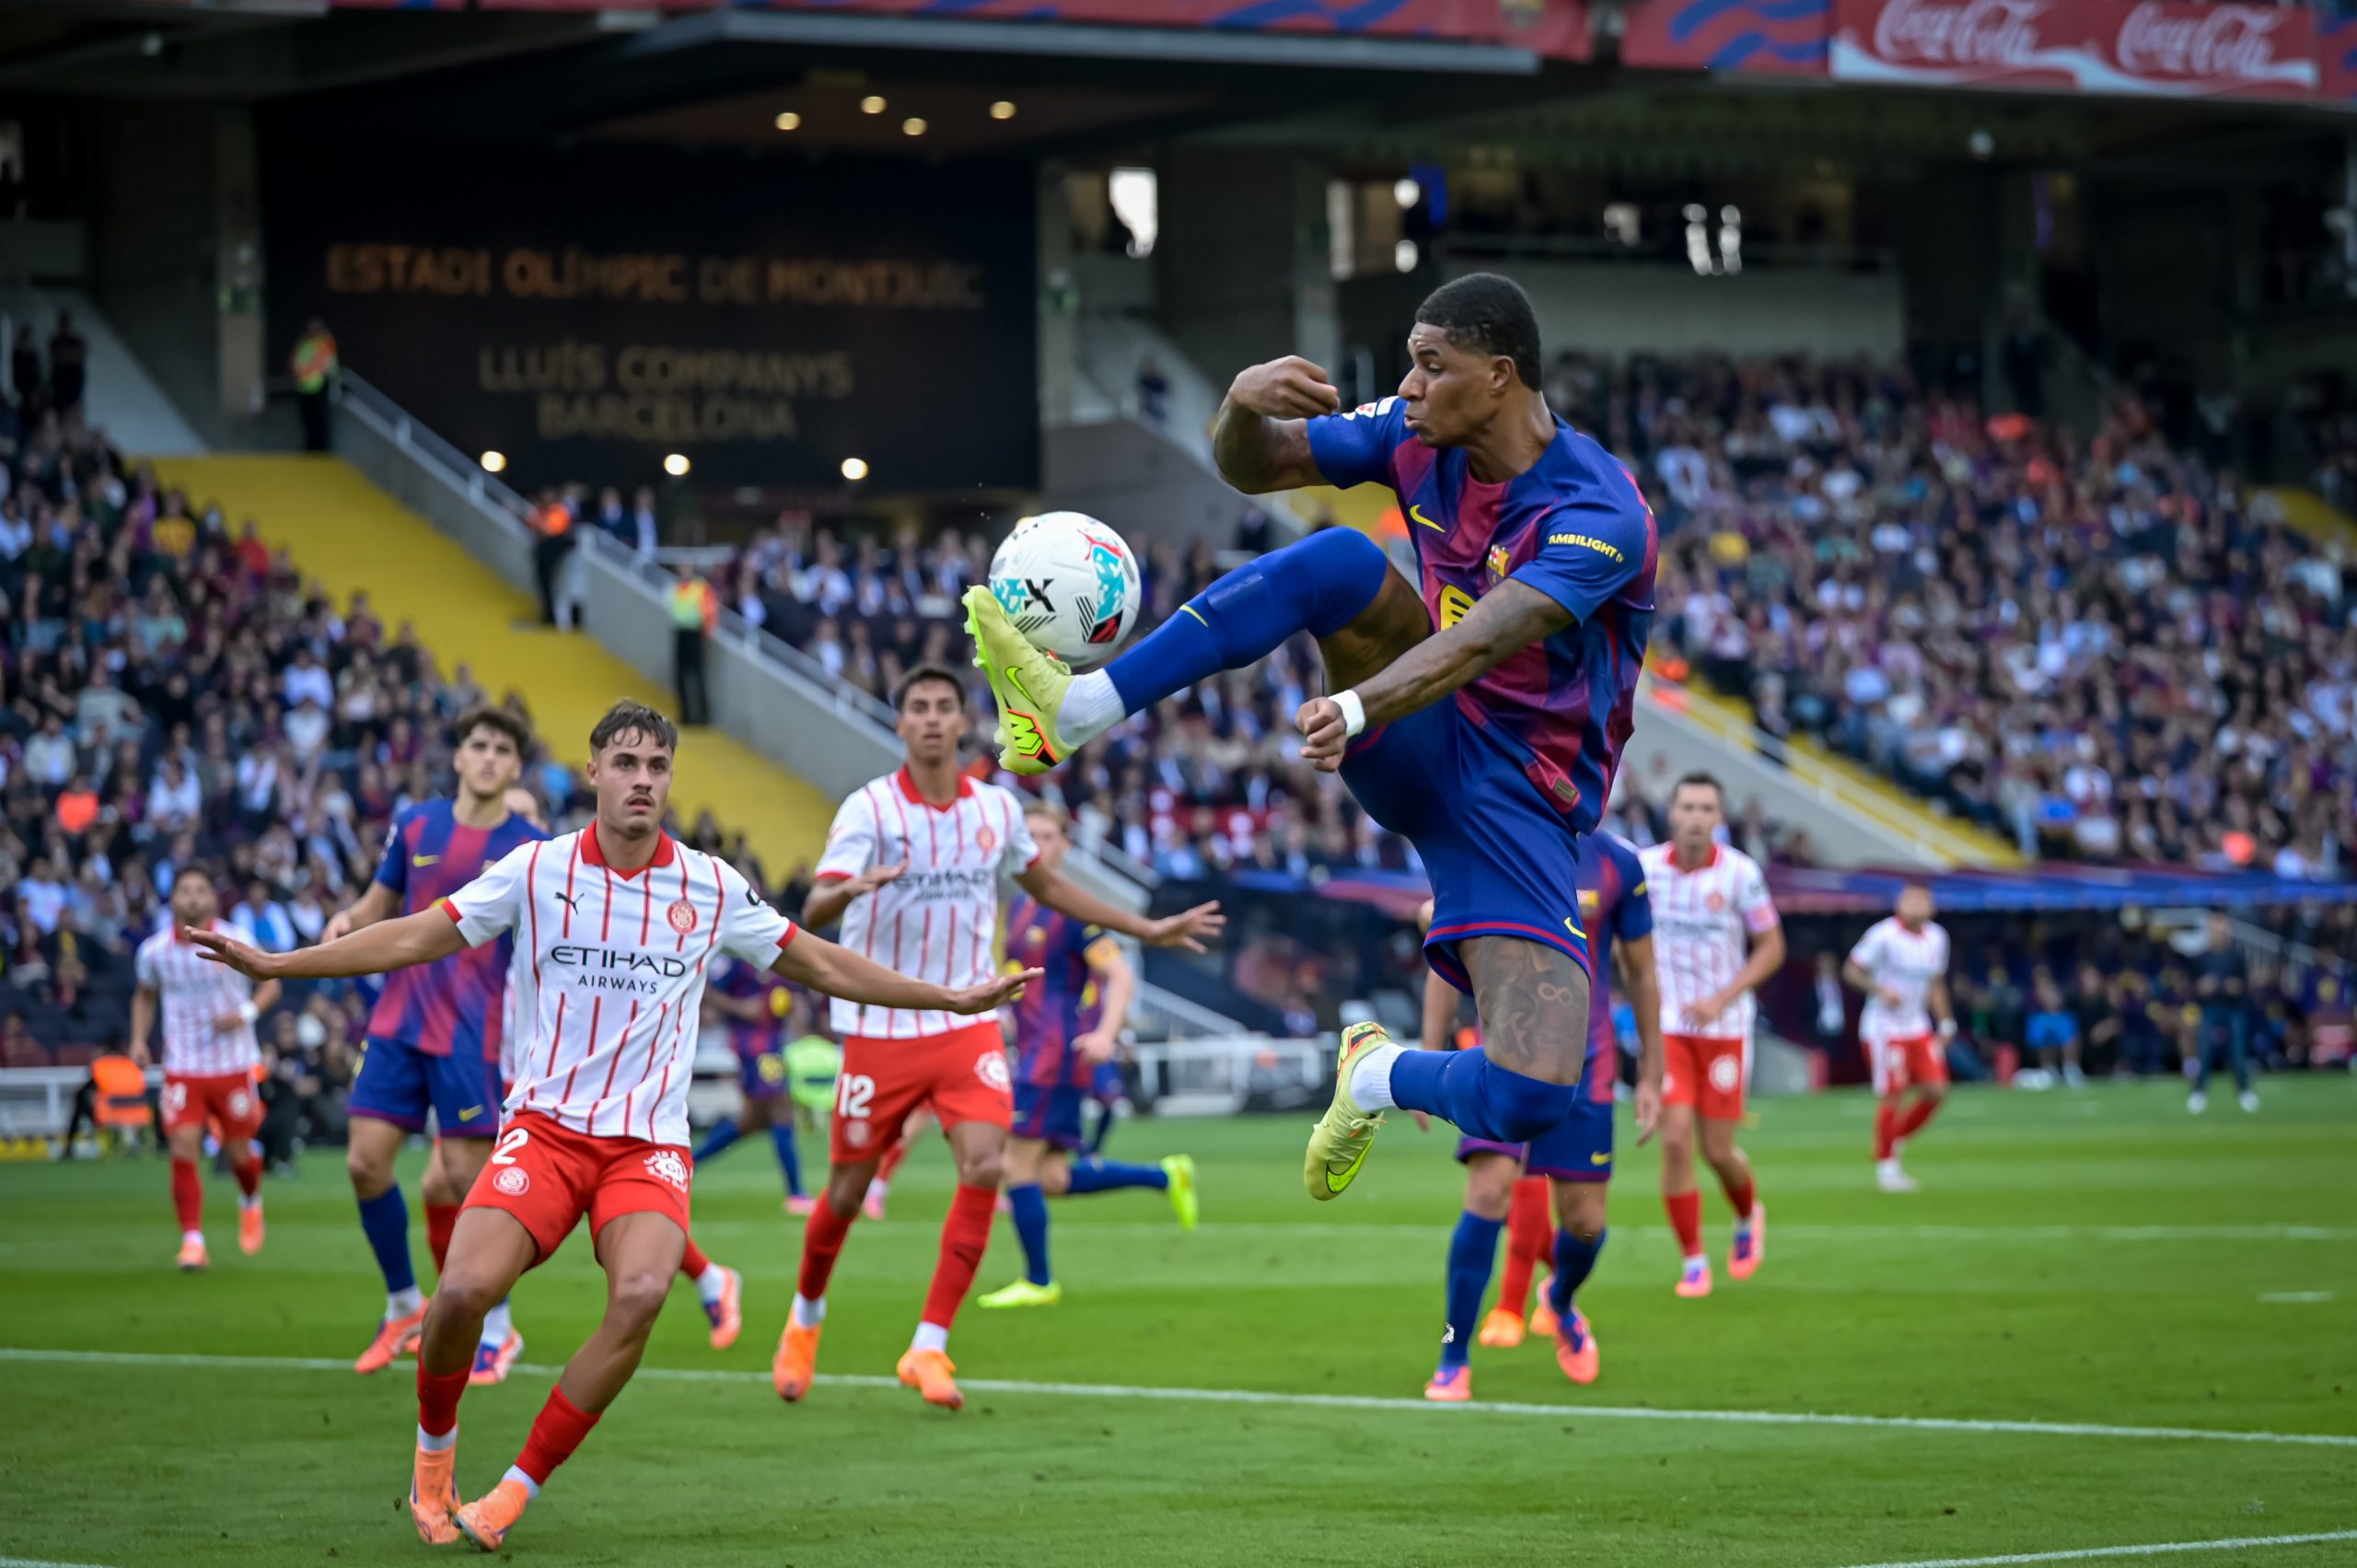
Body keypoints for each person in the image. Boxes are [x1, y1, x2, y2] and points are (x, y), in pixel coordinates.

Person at [187, 699, 1040, 1551]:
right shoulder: (536, 869)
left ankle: (514, 1490)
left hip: (650, 1145)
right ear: (592, 771)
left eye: (657, 766)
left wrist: (947, 996)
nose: (642, 780)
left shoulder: (708, 884)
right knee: (460, 1295)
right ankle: (434, 1458)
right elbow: (416, 936)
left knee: (637, 1296)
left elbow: (816, 959)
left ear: (671, 779)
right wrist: (281, 966)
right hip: (546, 1132)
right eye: (625, 763)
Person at [963, 273, 1655, 1205]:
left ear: (1497, 376)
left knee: (1531, 1093)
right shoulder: (1412, 432)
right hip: (1422, 735)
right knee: (1339, 560)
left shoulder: (1601, 508)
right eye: (1409, 364)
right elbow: (1255, 465)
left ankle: (1372, 1073)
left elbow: (1493, 630)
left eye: (1427, 365)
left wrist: (1362, 705)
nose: (1407, 385)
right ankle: (1079, 708)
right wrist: (1240, 406)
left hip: (1521, 800)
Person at [772, 666, 1222, 1411]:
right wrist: (842, 891)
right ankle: (805, 1318)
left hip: (969, 1022)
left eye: (943, 706)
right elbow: (813, 910)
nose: (930, 718)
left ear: (961, 723)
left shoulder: (995, 810)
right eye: (917, 707)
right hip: (879, 1028)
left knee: (985, 1165)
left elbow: (1047, 886)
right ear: (901, 724)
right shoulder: (869, 810)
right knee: (847, 1192)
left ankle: (929, 1345)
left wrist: (1142, 926)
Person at [331, 707, 547, 1385]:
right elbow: (379, 903)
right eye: (477, 745)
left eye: (501, 749)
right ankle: (402, 1305)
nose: (486, 757)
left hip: (474, 1030)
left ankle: (502, 1324)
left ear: (515, 768)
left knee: (465, 1177)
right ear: (458, 757)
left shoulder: (531, 848)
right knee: (365, 1163)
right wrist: (349, 921)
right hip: (398, 1018)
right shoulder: (416, 823)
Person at [1422, 830, 1662, 1402]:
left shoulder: (1618, 865)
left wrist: (1651, 1072)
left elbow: (1644, 974)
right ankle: (1453, 1354)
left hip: (1590, 1060)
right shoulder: (1493, 842)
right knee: (1487, 1192)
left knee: (1585, 1225)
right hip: (1500, 1054)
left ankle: (1557, 1300)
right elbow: (1444, 952)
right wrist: (1432, 1059)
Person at [979, 803, 1198, 1311]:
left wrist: (1105, 1033)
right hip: (1034, 1051)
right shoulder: (1020, 908)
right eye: (1028, 835)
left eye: (1047, 836)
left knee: (1016, 1164)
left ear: (1064, 846)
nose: (1036, 844)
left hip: (1055, 1056)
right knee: (1050, 1177)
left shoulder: (1074, 910)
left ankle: (1039, 1281)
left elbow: (1119, 975)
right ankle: (1165, 1175)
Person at [1639, 774, 1783, 1298]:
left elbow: (1771, 947)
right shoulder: (1646, 869)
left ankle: (1748, 1214)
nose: (1696, 817)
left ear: (1719, 818)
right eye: (1687, 806)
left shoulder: (1742, 873)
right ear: (1671, 813)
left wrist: (1724, 997)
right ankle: (1694, 1259)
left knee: (1717, 1150)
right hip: (1670, 1027)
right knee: (1675, 1139)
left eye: (1706, 808)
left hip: (1724, 1029)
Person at [131, 867, 280, 1271]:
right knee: (182, 1146)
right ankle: (193, 1241)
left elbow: (271, 982)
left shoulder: (237, 939)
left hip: (232, 1064)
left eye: (200, 890)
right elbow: (145, 996)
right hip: (183, 1066)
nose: (193, 898)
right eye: (185, 891)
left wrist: (244, 1013)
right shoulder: (154, 951)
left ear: (213, 899)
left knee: (239, 1154)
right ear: (173, 898)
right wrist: (139, 1039)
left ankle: (250, 1198)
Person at [1843, 885, 1955, 1194]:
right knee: (1893, 1093)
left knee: (1937, 1090)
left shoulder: (1937, 938)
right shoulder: (1883, 935)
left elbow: (1935, 983)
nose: (1915, 905)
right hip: (1883, 1027)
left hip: (1916, 1026)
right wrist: (1879, 991)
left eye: (1922, 900)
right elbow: (1852, 970)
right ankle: (1888, 1168)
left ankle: (1894, 1139)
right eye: (1910, 899)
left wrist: (1945, 1023)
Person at [693, 951, 813, 1216]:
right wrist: (741, 1008)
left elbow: (788, 999)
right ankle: (796, 1194)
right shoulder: (736, 962)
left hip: (773, 1044)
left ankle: (687, 1165)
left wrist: (791, 1007)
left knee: (749, 1123)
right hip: (752, 1046)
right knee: (781, 1110)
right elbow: (705, 988)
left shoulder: (780, 960)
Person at [2190, 912, 2258, 1114]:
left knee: (2238, 1051)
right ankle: (2199, 1091)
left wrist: (2234, 987)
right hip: (2210, 1007)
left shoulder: (2236, 957)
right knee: (2204, 1050)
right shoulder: (2202, 958)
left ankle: (2244, 1090)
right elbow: (2195, 986)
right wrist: (2203, 987)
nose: (2218, 933)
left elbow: (2245, 985)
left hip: (2234, 1008)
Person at [669, 569, 715, 726]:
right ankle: (685, 714)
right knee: (680, 676)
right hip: (680, 633)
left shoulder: (699, 587)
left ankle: (702, 715)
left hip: (695, 634)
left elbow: (709, 609)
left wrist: (707, 628)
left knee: (697, 675)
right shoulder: (676, 588)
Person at [291, 316, 338, 450]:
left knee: (320, 418)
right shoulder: (304, 341)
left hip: (319, 385)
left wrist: (305, 370)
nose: (312, 329)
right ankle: (310, 446)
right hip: (303, 386)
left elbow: (324, 363)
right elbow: (295, 360)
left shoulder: (325, 341)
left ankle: (321, 447)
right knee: (307, 419)